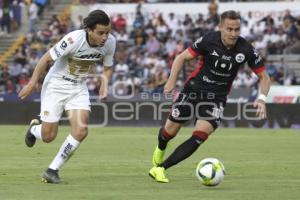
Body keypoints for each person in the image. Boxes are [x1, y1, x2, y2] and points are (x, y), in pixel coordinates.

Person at [148, 10, 271, 183]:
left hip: (216, 97)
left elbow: (264, 77)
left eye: (237, 29)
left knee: (200, 135)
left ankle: (160, 168)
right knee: (170, 131)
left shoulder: (246, 49)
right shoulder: (209, 40)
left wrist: (261, 99)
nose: (233, 34)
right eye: (229, 29)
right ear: (220, 27)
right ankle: (161, 148)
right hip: (193, 90)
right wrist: (171, 81)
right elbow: (181, 57)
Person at [19, 10, 116, 184]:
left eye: (107, 32)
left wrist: (104, 84)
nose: (105, 37)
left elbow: (108, 67)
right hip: (56, 85)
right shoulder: (73, 39)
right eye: (101, 33)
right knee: (48, 137)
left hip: (78, 87)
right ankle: (34, 129)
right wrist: (32, 83)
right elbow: (45, 60)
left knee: (81, 130)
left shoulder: (110, 43)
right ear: (89, 30)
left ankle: (52, 170)